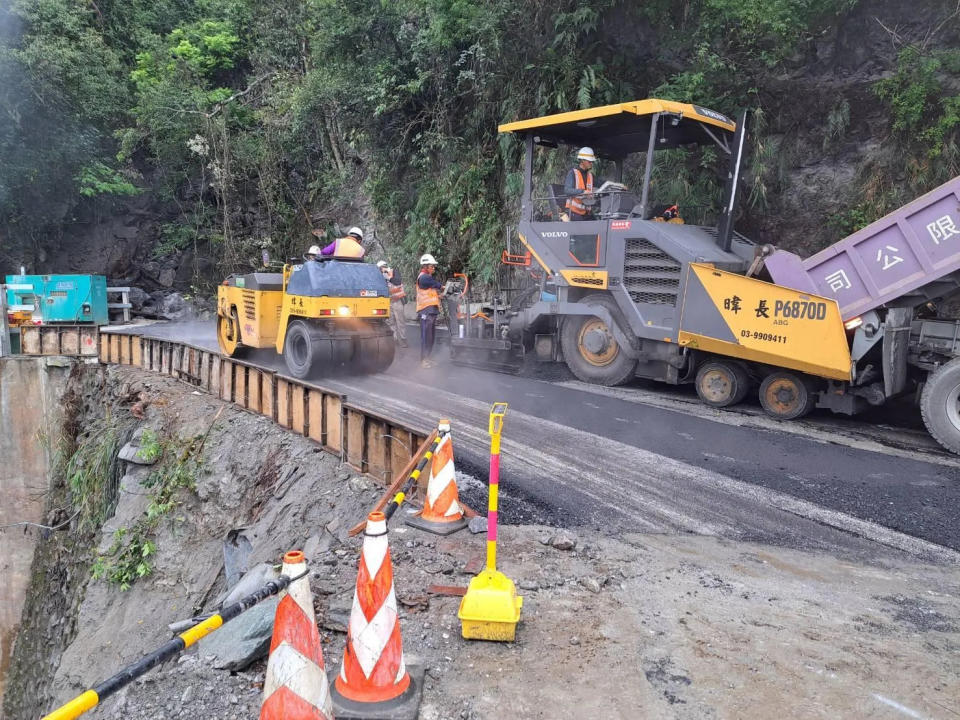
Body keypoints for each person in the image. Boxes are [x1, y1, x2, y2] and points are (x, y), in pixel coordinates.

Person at [416, 253, 444, 368]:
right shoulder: (424, 277)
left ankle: (428, 358)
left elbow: (431, 293)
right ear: (426, 266)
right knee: (426, 336)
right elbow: (437, 285)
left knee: (431, 336)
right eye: (432, 266)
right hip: (425, 311)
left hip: (431, 311)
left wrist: (439, 296)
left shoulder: (427, 278)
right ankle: (424, 360)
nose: (434, 268)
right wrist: (444, 287)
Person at [377, 260, 408, 347]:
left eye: (381, 269)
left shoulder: (394, 272)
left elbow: (397, 282)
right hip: (388, 301)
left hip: (397, 301)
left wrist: (388, 277)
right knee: (390, 322)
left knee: (400, 321)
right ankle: (394, 340)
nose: (380, 271)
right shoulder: (380, 277)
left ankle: (403, 339)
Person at [564, 147, 599, 221]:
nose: (591, 163)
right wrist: (583, 192)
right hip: (573, 212)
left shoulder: (590, 176)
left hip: (585, 213)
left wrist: (618, 186)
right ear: (582, 160)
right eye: (589, 161)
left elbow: (602, 183)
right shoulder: (573, 173)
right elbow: (567, 190)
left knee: (597, 226)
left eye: (592, 161)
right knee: (583, 229)